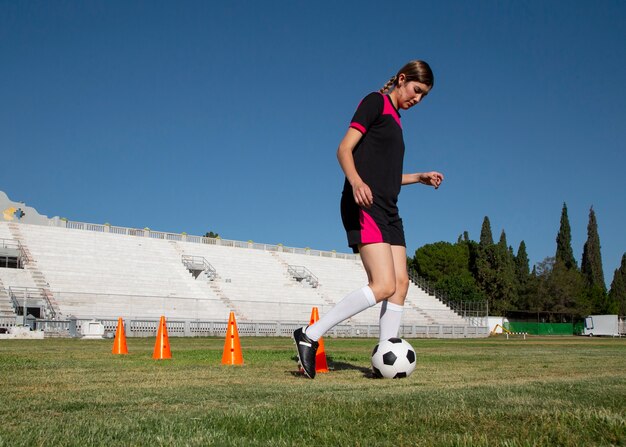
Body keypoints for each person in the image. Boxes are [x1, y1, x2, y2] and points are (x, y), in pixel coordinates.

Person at [293, 60, 444, 379]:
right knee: (383, 284)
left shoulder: (397, 121)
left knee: (401, 285)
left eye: (423, 96)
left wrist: (418, 176)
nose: (417, 100)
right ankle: (310, 334)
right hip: (364, 203)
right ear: (402, 80)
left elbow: (387, 174)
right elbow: (344, 149)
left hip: (390, 209)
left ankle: (383, 359)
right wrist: (356, 182)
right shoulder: (374, 101)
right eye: (416, 91)